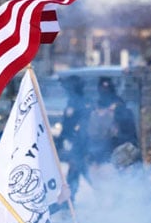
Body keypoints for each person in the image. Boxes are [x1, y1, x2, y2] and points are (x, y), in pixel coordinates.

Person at [55, 75, 92, 204]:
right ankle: (68, 200)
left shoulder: (79, 102)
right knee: (76, 171)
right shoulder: (74, 100)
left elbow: (74, 125)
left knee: (79, 170)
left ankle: (68, 200)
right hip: (77, 143)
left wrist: (65, 140)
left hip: (80, 143)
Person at [85, 77, 138, 166]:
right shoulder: (96, 105)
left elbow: (128, 130)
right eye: (102, 88)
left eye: (106, 88)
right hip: (101, 146)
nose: (104, 90)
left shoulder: (119, 106)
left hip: (117, 144)